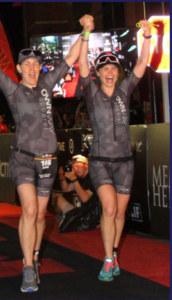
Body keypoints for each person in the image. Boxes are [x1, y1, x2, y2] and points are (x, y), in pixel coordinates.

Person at [0, 14, 94, 293]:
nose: (32, 68)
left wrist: (84, 31)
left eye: (36, 64)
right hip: (22, 159)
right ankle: (28, 268)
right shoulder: (11, 89)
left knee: (38, 216)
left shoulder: (47, 84)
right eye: (27, 65)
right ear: (19, 70)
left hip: (48, 161)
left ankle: (32, 256)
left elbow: (71, 57)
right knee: (30, 209)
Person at [79, 17, 152, 282]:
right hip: (99, 161)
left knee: (120, 212)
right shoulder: (91, 92)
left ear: (117, 71)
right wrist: (86, 33)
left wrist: (146, 37)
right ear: (98, 73)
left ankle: (113, 252)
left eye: (113, 67)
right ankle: (108, 259)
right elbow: (81, 68)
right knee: (109, 209)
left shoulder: (125, 90)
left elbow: (142, 64)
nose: (109, 71)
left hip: (125, 162)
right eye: (104, 68)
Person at [53, 154, 99, 233]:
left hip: (91, 217)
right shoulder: (80, 177)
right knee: (56, 197)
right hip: (82, 212)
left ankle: (66, 218)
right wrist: (62, 178)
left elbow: (85, 199)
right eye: (73, 167)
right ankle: (62, 217)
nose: (76, 169)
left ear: (86, 164)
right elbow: (66, 189)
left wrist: (74, 179)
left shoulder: (92, 177)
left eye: (77, 166)